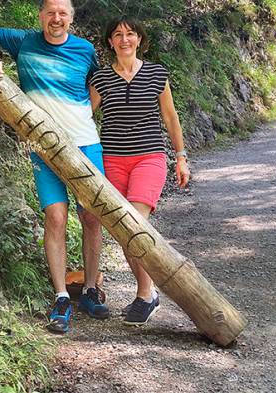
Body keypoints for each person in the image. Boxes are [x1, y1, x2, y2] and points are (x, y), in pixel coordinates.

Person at [0, 0, 110, 333]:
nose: (56, 19)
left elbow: (100, 83)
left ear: (71, 18)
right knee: (55, 216)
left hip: (86, 143)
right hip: (42, 145)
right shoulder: (23, 41)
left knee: (91, 216)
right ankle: (61, 297)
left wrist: (85, 112)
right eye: (50, 12)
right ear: (41, 15)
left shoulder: (85, 50)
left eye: (63, 13)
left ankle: (90, 289)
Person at [89, 16, 191, 326]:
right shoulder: (100, 79)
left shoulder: (157, 74)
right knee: (123, 230)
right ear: (110, 42)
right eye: (117, 34)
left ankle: (145, 293)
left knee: (135, 223)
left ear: (139, 39)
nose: (124, 39)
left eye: (130, 34)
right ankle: (147, 294)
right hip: (112, 160)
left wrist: (181, 157)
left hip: (149, 157)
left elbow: (171, 119)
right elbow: (85, 117)